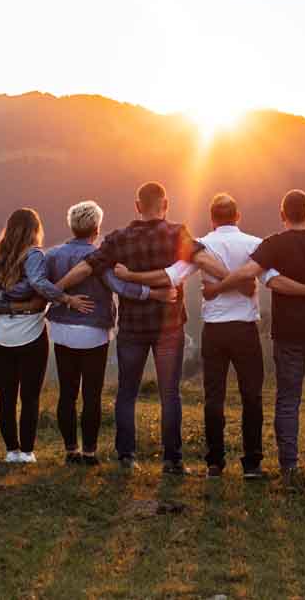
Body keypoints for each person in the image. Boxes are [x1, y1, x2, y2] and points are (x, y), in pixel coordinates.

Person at [55, 181, 230, 475]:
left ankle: (126, 457)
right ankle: (172, 461)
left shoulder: (118, 239)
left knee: (127, 392)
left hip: (132, 329)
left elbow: (86, 266)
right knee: (169, 394)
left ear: (137, 207)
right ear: (166, 205)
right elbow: (201, 258)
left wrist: (55, 291)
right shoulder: (177, 234)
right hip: (169, 326)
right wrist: (230, 278)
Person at [113, 193, 268, 479]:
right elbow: (272, 279)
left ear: (212, 219)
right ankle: (253, 463)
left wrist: (132, 276)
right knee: (252, 396)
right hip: (245, 328)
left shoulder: (204, 245)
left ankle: (214, 463)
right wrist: (244, 285)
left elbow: (171, 276)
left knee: (214, 397)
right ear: (238, 216)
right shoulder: (255, 245)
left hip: (215, 329)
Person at [203, 190, 305, 479]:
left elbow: (248, 271)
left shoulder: (274, 244)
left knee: (288, 400)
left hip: (288, 337)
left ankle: (289, 465)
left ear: (282, 216)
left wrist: (215, 289)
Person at [45, 200, 177, 466]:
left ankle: (70, 450)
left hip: (61, 330)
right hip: (93, 331)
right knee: (91, 394)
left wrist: (61, 298)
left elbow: (44, 284)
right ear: (97, 227)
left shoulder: (54, 255)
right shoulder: (99, 258)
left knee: (68, 393)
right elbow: (120, 287)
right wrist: (154, 293)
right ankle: (90, 452)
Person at [0, 208, 91, 463]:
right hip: (31, 332)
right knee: (29, 396)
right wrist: (66, 298)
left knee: (7, 395)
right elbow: (38, 283)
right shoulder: (34, 254)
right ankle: (26, 452)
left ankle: (11, 451)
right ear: (34, 230)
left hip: (1, 333)